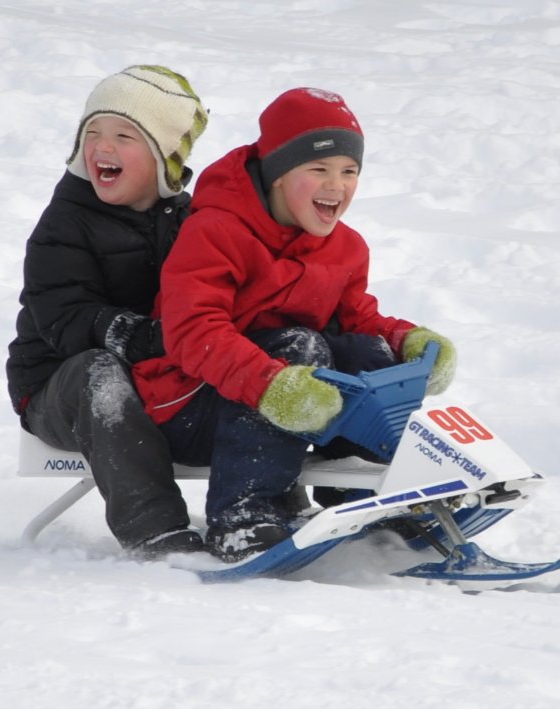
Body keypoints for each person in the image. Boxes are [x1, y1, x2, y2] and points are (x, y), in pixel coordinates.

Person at [132, 87, 457, 562]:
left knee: (368, 353)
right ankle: (243, 518)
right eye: (319, 169)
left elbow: (356, 318)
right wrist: (271, 384)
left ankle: (363, 494)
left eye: (349, 171)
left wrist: (408, 342)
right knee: (300, 346)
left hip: (282, 401)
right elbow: (192, 332)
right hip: (188, 405)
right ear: (279, 174)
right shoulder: (216, 231)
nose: (336, 186)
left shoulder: (345, 247)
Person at [6, 65, 210, 559]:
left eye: (124, 136)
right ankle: (154, 531)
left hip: (156, 381)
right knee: (99, 373)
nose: (103, 147)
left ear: (164, 156)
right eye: (92, 133)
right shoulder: (65, 222)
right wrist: (143, 336)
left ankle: (263, 510)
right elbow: (66, 317)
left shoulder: (191, 221)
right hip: (58, 388)